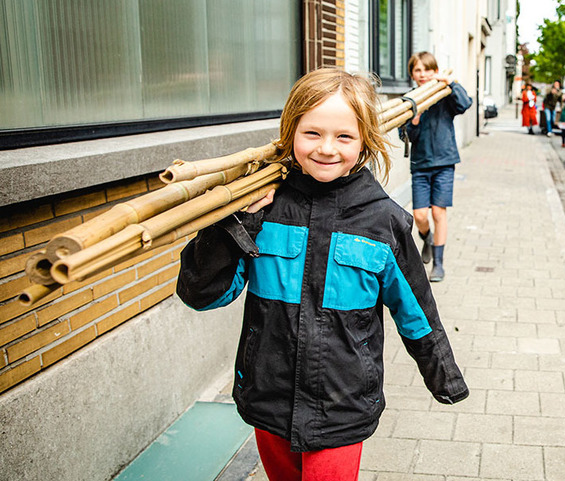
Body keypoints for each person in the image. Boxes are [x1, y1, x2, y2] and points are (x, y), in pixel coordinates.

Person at [176, 68, 469, 481]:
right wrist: (234, 222)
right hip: (268, 395)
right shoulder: (263, 210)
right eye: (312, 133)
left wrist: (445, 378)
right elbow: (202, 294)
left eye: (344, 137)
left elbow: (417, 313)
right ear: (290, 132)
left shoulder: (384, 222)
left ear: (365, 139)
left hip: (342, 405)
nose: (327, 148)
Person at [402, 51, 473, 282]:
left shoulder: (443, 93)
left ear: (435, 71)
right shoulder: (409, 99)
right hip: (420, 164)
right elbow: (407, 135)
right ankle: (428, 240)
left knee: (438, 212)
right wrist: (414, 120)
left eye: (427, 69)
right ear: (412, 73)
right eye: (418, 70)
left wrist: (450, 83)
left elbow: (464, 104)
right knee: (420, 215)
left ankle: (439, 264)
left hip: (444, 161)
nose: (422, 74)